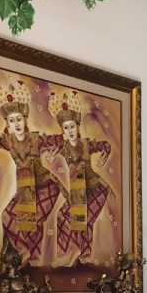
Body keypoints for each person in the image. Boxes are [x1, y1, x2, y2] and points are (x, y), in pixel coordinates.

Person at [0, 80, 65, 265]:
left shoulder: (35, 139)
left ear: (25, 119)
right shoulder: (7, 140)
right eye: (12, 120)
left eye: (19, 119)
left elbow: (57, 139)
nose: (16, 123)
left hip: (45, 187)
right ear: (8, 124)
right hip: (25, 189)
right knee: (7, 216)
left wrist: (57, 144)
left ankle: (30, 258)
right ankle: (23, 258)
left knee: (31, 222)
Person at [49, 89, 114, 264]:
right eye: (66, 127)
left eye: (72, 126)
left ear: (77, 126)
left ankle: (83, 256)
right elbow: (48, 145)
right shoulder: (62, 147)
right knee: (62, 215)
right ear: (62, 130)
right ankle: (67, 254)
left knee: (84, 220)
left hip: (97, 189)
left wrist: (103, 157)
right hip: (79, 192)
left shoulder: (86, 144)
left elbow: (105, 145)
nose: (70, 130)